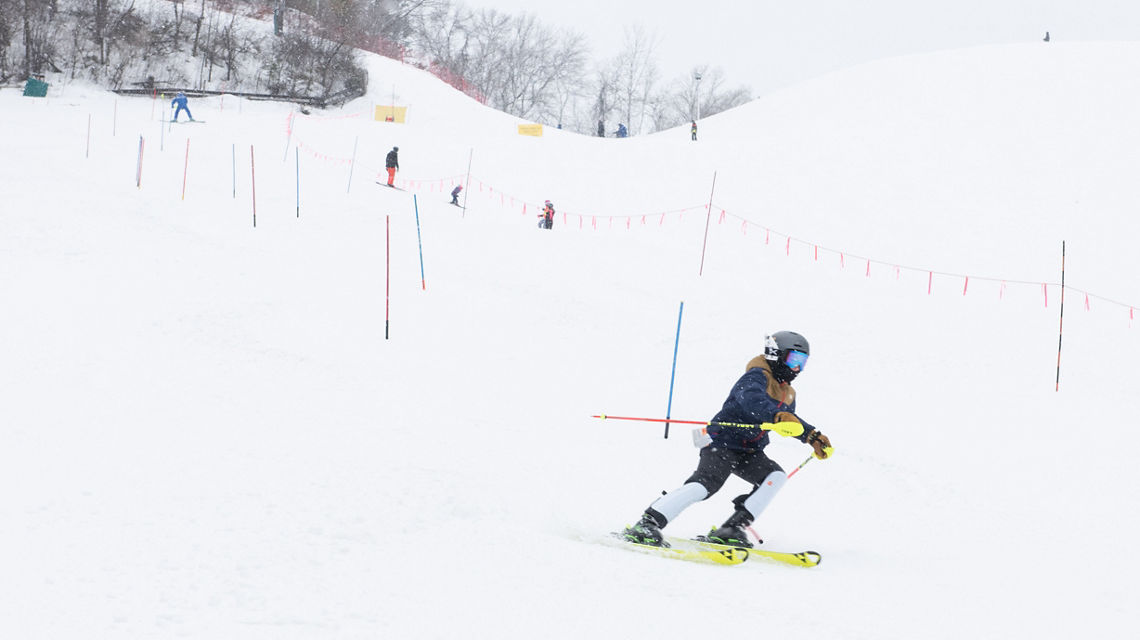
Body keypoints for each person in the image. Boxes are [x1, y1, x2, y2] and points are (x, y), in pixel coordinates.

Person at [623, 331, 833, 548]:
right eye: (794, 360)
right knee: (705, 485)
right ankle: (647, 524)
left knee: (775, 476)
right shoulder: (756, 376)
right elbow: (751, 400)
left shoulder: (788, 392)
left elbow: (789, 423)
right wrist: (776, 415)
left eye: (802, 362)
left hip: (750, 450)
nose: (797, 368)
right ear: (775, 354)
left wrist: (810, 435)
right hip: (721, 442)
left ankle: (732, 528)